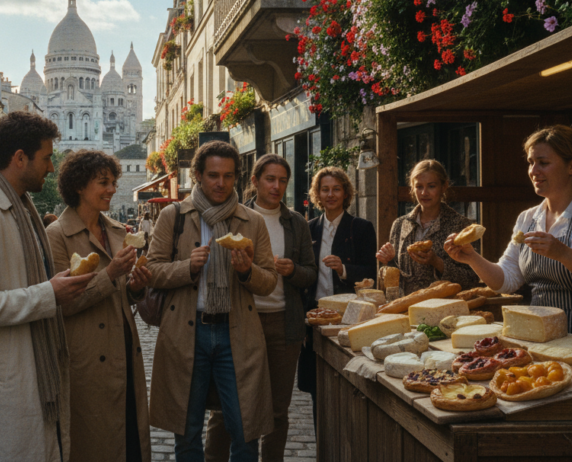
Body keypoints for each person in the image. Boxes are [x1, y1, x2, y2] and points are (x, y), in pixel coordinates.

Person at [0, 111, 95, 462]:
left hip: (30, 375)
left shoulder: (21, 211)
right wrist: (49, 294)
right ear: (19, 158)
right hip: (3, 390)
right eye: (46, 158)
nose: (51, 167)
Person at [147, 140, 277, 462]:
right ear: (199, 177)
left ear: (237, 178)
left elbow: (270, 280)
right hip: (187, 334)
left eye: (229, 176)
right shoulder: (173, 216)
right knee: (187, 431)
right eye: (213, 175)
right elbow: (151, 270)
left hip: (237, 333)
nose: (221, 183)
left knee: (245, 430)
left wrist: (247, 272)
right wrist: (186, 267)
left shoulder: (252, 221)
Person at [445, 125, 572, 341]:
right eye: (531, 162)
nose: (533, 171)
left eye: (543, 163)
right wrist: (471, 258)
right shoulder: (528, 218)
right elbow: (506, 280)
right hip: (545, 338)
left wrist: (563, 253)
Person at [204, 153, 317, 462]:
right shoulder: (235, 217)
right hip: (240, 321)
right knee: (228, 407)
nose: (277, 186)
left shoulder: (296, 223)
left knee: (278, 410)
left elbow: (310, 273)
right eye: (270, 179)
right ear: (254, 181)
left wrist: (293, 269)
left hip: (283, 322)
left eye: (283, 181)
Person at [46, 150, 153, 462]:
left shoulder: (118, 232)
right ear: (79, 186)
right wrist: (111, 274)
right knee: (96, 444)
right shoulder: (57, 236)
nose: (111, 189)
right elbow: (60, 302)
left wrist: (135, 287)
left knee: (129, 442)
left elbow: (121, 293)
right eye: (103, 182)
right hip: (87, 360)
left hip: (124, 352)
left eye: (114, 182)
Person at [299, 166, 377, 422]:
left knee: (350, 386)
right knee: (316, 391)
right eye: (325, 189)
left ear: (346, 193)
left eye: (336, 189)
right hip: (315, 319)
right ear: (317, 195)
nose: (330, 194)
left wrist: (344, 269)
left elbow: (371, 272)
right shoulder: (308, 228)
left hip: (349, 320)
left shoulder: (361, 227)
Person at [376, 160, 481, 293]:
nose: (424, 193)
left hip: (444, 307)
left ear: (444, 186)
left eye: (431, 186)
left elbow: (473, 278)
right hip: (406, 307)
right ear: (412, 188)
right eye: (419, 187)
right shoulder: (400, 224)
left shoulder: (461, 225)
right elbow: (395, 278)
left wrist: (437, 262)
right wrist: (388, 261)